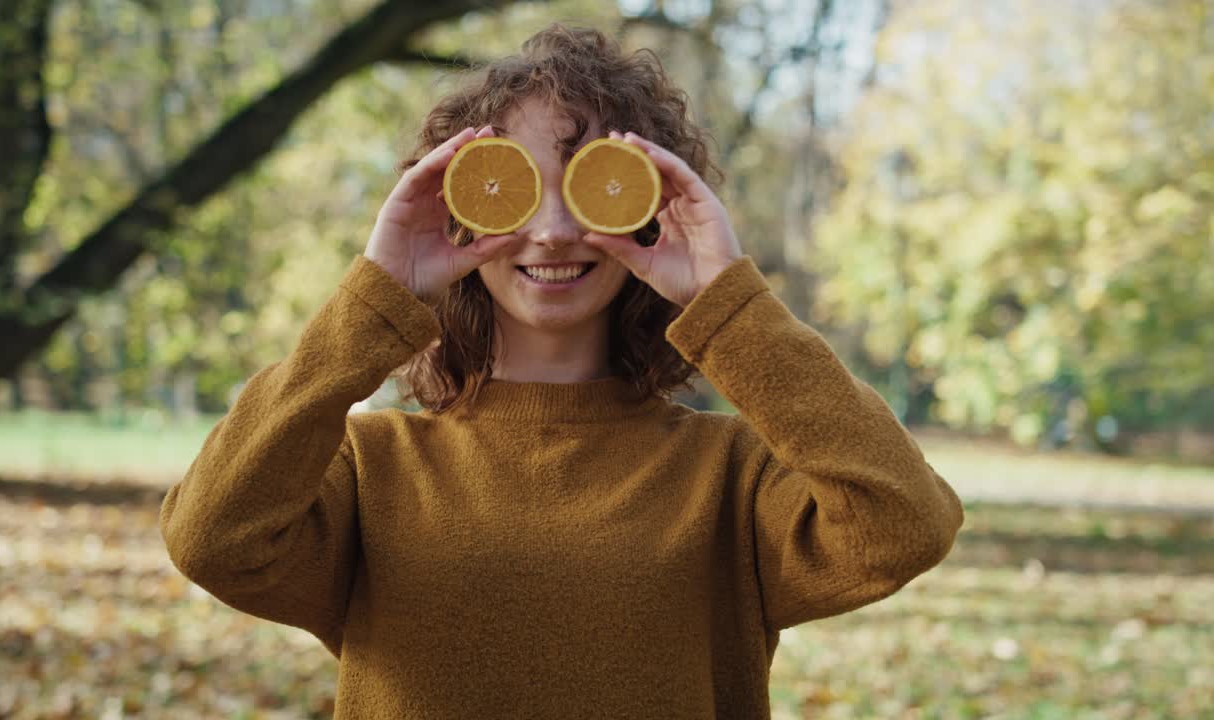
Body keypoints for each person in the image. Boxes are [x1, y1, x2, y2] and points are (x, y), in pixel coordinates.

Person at [159, 23, 964, 719]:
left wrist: (728, 300)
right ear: (459, 203)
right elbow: (212, 539)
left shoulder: (730, 476)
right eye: (515, 189)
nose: (550, 232)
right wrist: (375, 301)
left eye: (590, 189)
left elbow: (903, 526)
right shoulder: (370, 468)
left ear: (650, 204)